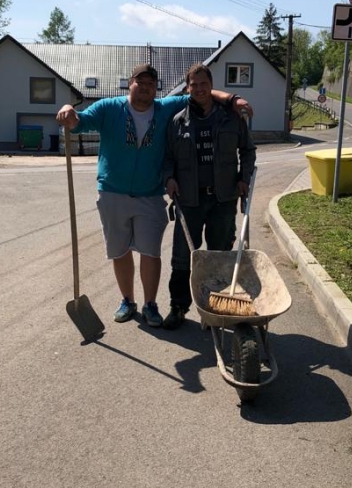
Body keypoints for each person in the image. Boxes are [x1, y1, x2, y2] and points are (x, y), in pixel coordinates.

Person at [56, 63, 252, 327]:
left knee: (151, 252)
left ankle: (151, 304)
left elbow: (201, 93)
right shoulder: (109, 108)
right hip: (112, 192)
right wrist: (69, 111)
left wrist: (233, 98)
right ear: (130, 83)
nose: (145, 88)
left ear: (156, 88)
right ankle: (128, 300)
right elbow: (80, 122)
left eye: (151, 84)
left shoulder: (165, 108)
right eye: (140, 82)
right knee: (120, 251)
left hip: (150, 194)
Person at [161, 63, 256, 329]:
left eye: (204, 84)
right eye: (194, 85)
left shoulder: (231, 118)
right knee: (183, 257)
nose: (199, 89)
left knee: (220, 255)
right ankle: (178, 307)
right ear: (187, 88)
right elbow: (167, 158)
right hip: (189, 200)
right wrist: (168, 178)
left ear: (211, 86)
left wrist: (244, 178)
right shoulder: (177, 122)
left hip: (222, 200)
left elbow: (248, 151)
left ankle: (217, 308)